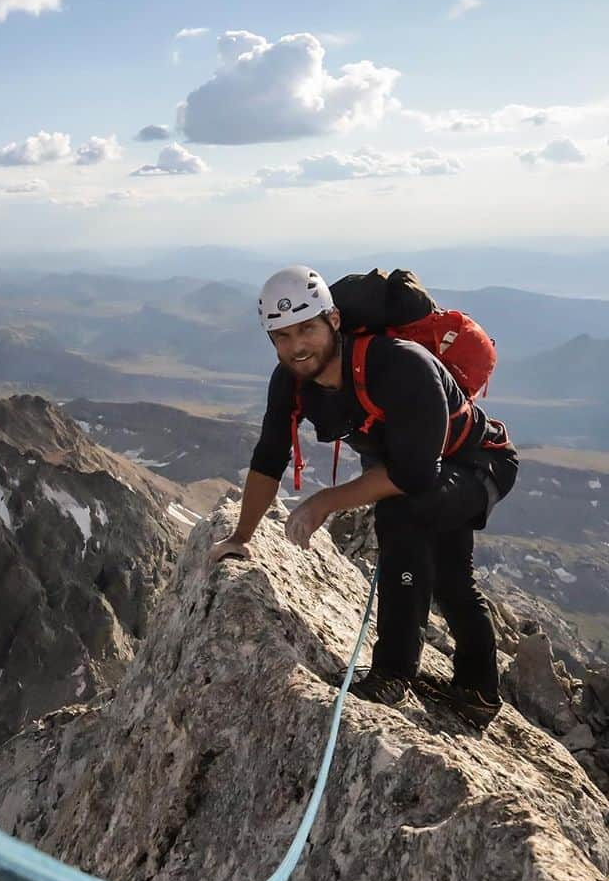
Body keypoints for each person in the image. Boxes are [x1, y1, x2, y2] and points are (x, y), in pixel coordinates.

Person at [208, 264, 519, 728]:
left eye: (306, 329)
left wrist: (324, 501)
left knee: (403, 515)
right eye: (281, 336)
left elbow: (413, 476)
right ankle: (477, 692)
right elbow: (269, 456)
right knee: (451, 578)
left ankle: (394, 672)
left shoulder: (400, 364)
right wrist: (241, 536)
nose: (295, 347)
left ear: (333, 320)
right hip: (429, 468)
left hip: (478, 462)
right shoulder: (291, 380)